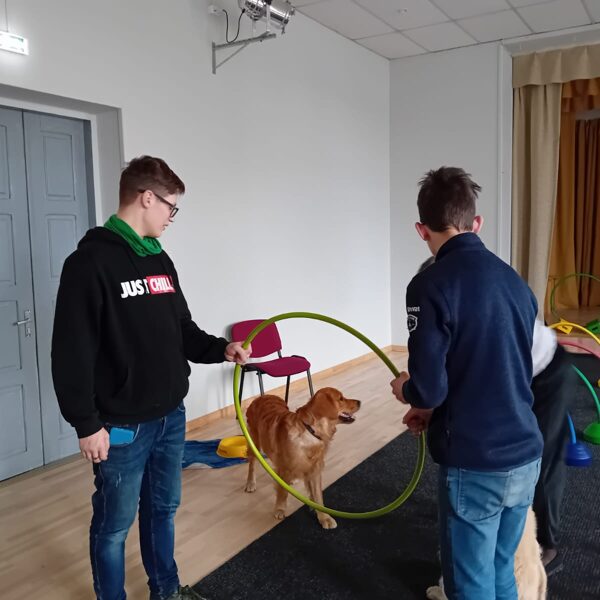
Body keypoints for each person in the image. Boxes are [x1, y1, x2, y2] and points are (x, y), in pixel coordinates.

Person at [51, 155, 251, 600]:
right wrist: (86, 423)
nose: (171, 218)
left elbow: (182, 329)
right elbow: (70, 353)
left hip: (170, 417)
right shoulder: (89, 263)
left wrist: (221, 349)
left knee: (162, 510)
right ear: (147, 198)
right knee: (113, 526)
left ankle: (167, 591)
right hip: (121, 426)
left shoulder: (160, 259)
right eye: (170, 207)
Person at [390, 166, 542, 600]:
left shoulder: (428, 285)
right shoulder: (515, 283)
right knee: (501, 571)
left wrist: (407, 390)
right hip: (525, 452)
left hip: (476, 461)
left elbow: (429, 387)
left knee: (469, 585)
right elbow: (496, 369)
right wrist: (431, 409)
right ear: (476, 222)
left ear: (421, 230)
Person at [419, 256, 572, 577]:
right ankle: (491, 520)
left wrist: (420, 396)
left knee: (541, 456)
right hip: (520, 370)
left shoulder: (479, 308)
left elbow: (476, 380)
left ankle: (547, 544)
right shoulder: (454, 308)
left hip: (547, 371)